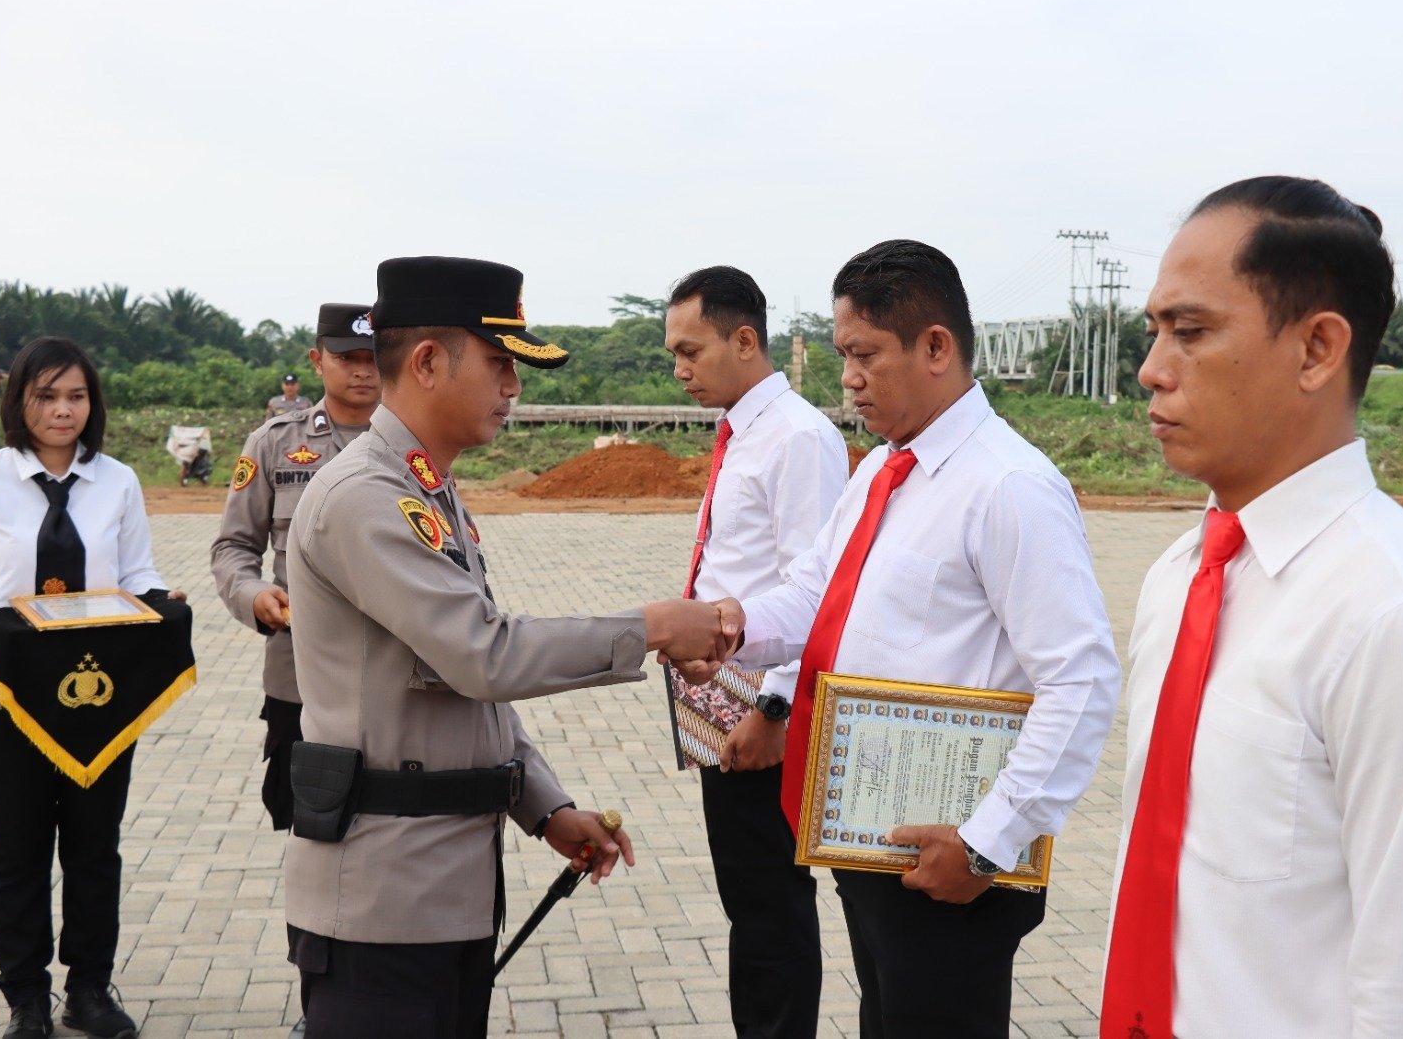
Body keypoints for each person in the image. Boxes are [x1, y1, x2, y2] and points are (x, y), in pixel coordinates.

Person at [1100, 177, 1403, 1039]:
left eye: (1191, 332)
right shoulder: (1181, 576)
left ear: (1317, 349)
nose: (1151, 369)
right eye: (1154, 332)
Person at [282, 256, 741, 1038]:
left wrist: (545, 807)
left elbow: (458, 686)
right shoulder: (366, 497)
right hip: (383, 906)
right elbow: (485, 657)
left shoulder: (425, 489)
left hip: (441, 894)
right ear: (428, 362)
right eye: (498, 363)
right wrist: (655, 627)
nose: (514, 386)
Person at [693, 240, 1123, 1038]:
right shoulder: (880, 472)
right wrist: (729, 626)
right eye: (842, 356)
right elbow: (814, 595)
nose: (848, 378)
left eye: (865, 355)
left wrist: (988, 843)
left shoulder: (1009, 487)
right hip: (873, 837)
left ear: (935, 347)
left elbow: (1082, 680)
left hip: (952, 855)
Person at [0, 337, 184, 1039]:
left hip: (98, 696)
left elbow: (135, 573)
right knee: (18, 848)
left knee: (95, 847)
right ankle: (26, 999)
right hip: (6, 690)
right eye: (46, 396)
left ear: (92, 403)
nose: (63, 410)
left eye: (76, 396)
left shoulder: (118, 481)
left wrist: (159, 597)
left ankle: (90, 990)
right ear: (19, 401)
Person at [663, 265, 847, 1038]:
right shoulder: (742, 432)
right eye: (673, 354)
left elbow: (816, 588)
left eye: (691, 350)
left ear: (745, 340)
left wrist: (775, 710)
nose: (680, 369)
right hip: (722, 695)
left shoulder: (798, 438)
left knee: (770, 901)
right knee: (747, 895)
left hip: (761, 708)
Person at [212, 302, 381, 832]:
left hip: (394, 673)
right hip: (299, 673)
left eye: (374, 358)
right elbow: (233, 547)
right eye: (347, 358)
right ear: (317, 360)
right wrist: (253, 596)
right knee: (309, 823)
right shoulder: (274, 443)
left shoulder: (419, 444)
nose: (362, 371)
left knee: (391, 824)